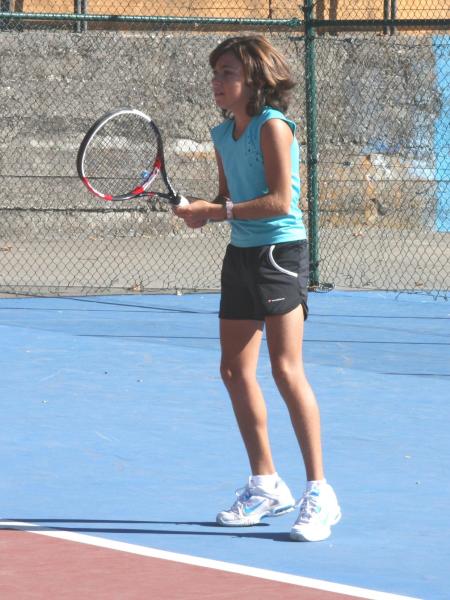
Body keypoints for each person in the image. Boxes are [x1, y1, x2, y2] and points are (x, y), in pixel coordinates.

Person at [174, 35, 341, 542]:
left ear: (254, 80)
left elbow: (278, 202)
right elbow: (229, 199)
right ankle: (266, 484)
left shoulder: (273, 127)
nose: (217, 82)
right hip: (241, 256)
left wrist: (216, 211)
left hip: (279, 253)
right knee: (233, 370)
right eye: (215, 73)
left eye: (228, 73)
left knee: (286, 370)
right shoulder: (222, 134)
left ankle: (320, 493)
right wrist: (202, 211)